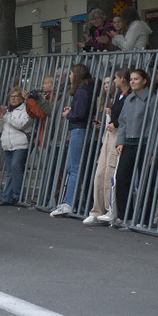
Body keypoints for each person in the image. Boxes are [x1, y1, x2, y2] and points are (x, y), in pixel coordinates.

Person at [85, 69, 130, 225]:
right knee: (100, 172)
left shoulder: (129, 96)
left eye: (116, 79)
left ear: (122, 79)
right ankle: (97, 210)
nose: (113, 82)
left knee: (110, 172)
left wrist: (114, 122)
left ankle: (111, 209)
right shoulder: (119, 95)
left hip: (117, 133)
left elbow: (125, 117)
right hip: (110, 134)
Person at [50, 64, 94, 217]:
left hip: (78, 129)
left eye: (70, 74)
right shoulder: (85, 88)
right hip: (78, 129)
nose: (69, 76)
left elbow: (80, 113)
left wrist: (69, 115)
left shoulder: (81, 90)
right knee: (72, 167)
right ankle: (69, 201)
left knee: (74, 168)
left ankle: (69, 202)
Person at [114, 68, 154, 227]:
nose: (132, 82)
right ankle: (126, 215)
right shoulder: (129, 98)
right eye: (131, 79)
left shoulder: (152, 98)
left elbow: (154, 123)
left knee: (145, 181)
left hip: (144, 143)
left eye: (136, 79)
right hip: (129, 143)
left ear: (144, 81)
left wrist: (152, 149)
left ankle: (144, 219)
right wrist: (120, 141)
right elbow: (122, 122)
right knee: (122, 178)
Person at [0, 86, 35, 205]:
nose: (13, 99)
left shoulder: (25, 110)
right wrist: (1, 118)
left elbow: (21, 124)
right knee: (10, 171)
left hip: (20, 143)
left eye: (16, 96)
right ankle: (7, 197)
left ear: (22, 98)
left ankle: (17, 194)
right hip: (7, 144)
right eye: (11, 96)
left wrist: (6, 116)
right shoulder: (6, 110)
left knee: (16, 166)